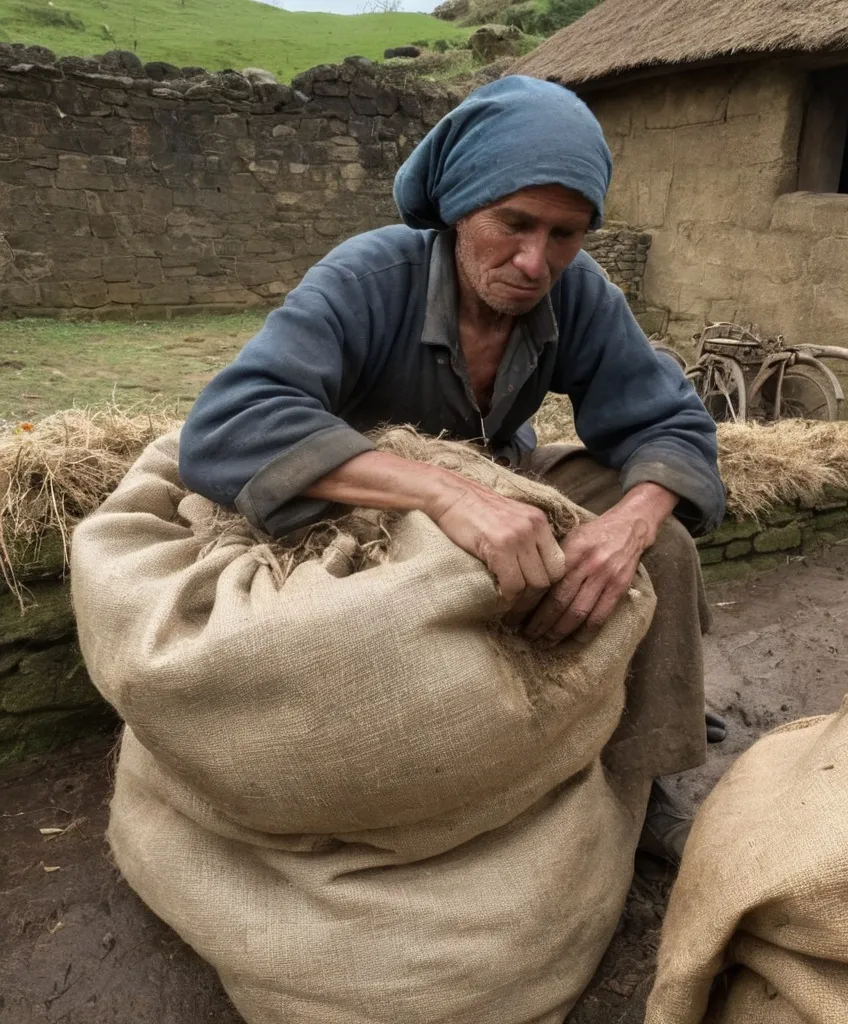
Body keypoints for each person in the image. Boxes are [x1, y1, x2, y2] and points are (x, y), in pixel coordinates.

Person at [178, 75, 727, 861]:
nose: (536, 261)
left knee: (662, 543)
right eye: (514, 223)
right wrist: (445, 491)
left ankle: (649, 771)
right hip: (369, 495)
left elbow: (672, 418)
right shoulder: (369, 278)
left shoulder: (580, 292)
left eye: (566, 235)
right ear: (462, 205)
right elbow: (230, 424)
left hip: (503, 472)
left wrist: (629, 525)